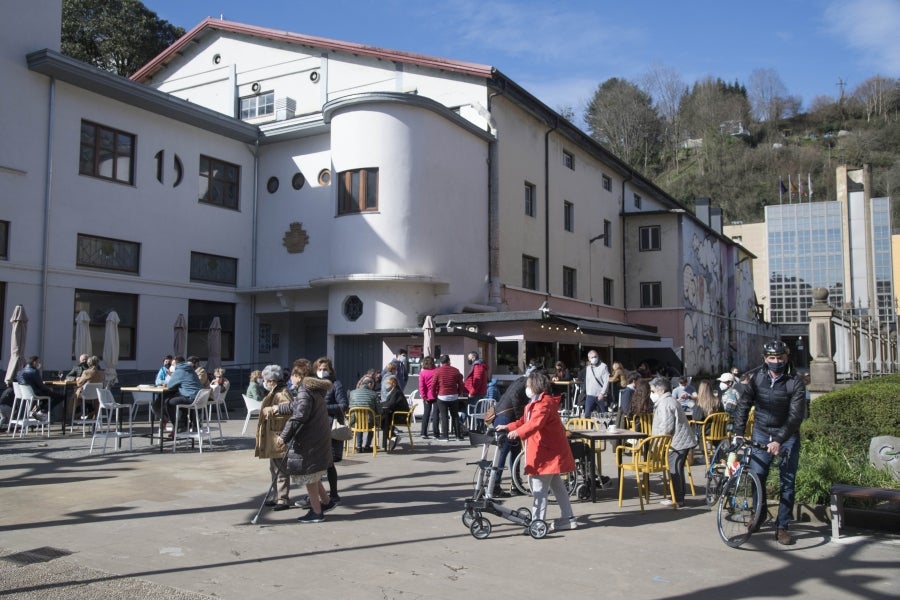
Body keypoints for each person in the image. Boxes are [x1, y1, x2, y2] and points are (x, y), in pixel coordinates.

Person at [733, 340, 806, 545]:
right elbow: (743, 405)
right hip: (762, 432)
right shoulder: (757, 379)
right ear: (765, 359)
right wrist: (738, 432)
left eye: (780, 358)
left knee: (787, 482)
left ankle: (782, 526)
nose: (776, 362)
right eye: (772, 358)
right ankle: (759, 515)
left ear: (786, 358)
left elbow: (795, 417)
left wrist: (779, 440)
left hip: (787, 435)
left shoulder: (795, 381)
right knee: (757, 477)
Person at [496, 371, 577, 532]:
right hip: (548, 452)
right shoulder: (537, 402)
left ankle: (538, 523)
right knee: (557, 486)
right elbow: (525, 421)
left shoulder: (543, 404)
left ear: (535, 386)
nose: (526, 388)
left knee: (539, 489)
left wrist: (517, 433)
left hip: (545, 453)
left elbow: (534, 424)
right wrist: (508, 427)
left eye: (528, 386)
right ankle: (568, 518)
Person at [268, 359, 335, 523]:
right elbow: (297, 405)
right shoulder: (312, 389)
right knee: (314, 474)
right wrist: (278, 408)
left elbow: (298, 416)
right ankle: (326, 502)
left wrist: (283, 437)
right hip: (318, 437)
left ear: (298, 375)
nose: (290, 378)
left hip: (310, 440)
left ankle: (317, 512)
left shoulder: (305, 390)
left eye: (292, 375)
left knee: (309, 476)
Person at [649, 375, 696, 509]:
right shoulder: (669, 400)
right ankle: (677, 497)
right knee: (677, 469)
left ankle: (678, 499)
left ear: (661, 391)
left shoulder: (665, 403)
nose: (651, 394)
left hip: (676, 443)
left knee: (675, 470)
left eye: (653, 391)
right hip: (680, 440)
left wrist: (658, 445)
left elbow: (666, 427)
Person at [255, 364, 294, 511]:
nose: (263, 381)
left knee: (281, 469)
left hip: (279, 435)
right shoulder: (275, 391)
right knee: (274, 467)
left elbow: (289, 409)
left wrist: (270, 411)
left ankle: (283, 499)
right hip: (274, 434)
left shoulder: (281, 393)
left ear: (271, 381)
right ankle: (277, 495)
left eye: (265, 379)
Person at [313, 357, 348, 504]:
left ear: (330, 370)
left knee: (329, 462)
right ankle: (315, 494)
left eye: (325, 369)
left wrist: (322, 408)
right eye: (319, 369)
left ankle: (333, 493)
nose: (322, 372)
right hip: (315, 427)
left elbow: (343, 405)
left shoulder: (336, 384)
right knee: (316, 463)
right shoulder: (313, 384)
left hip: (330, 426)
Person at [490, 374, 529, 497]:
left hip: (503, 416)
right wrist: (519, 418)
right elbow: (515, 397)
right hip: (506, 418)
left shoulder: (520, 381)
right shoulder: (524, 384)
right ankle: (495, 485)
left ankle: (515, 484)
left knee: (515, 451)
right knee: (503, 451)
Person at [161, 355, 203, 434]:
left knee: (168, 402)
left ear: (177, 364)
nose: (172, 366)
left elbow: (170, 385)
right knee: (179, 399)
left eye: (173, 365)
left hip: (191, 398)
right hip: (199, 398)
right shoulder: (190, 369)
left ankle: (178, 425)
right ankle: (185, 424)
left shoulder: (180, 370)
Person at [433, 354, 464, 441]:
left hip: (442, 396)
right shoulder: (456, 370)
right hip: (454, 395)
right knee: (455, 416)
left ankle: (445, 436)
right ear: (449, 361)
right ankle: (458, 436)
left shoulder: (438, 371)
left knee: (444, 416)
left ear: (441, 361)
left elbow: (433, 385)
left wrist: (434, 394)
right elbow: (461, 384)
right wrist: (458, 392)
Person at [348, 374, 380, 453]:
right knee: (372, 422)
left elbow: (350, 406)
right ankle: (367, 446)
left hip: (354, 422)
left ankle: (359, 446)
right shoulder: (373, 394)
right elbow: (379, 411)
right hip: (369, 422)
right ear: (369, 384)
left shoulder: (352, 393)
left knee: (359, 423)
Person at [380, 375, 409, 452]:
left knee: (383, 422)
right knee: (383, 421)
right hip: (397, 414)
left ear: (393, 384)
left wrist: (381, 406)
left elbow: (391, 404)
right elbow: (388, 403)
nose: (387, 385)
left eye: (389, 383)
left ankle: (393, 437)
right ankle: (392, 437)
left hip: (400, 416)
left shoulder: (396, 392)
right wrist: (381, 404)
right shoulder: (394, 391)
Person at [578, 349, 609, 418]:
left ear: (598, 356)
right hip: (590, 395)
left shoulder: (603, 366)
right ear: (589, 359)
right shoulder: (588, 368)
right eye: (592, 357)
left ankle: (608, 427)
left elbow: (606, 381)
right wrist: (587, 392)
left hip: (600, 395)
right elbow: (587, 380)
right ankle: (588, 428)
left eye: (595, 356)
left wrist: (602, 393)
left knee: (604, 415)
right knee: (587, 415)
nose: (594, 358)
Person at [463, 351, 488, 432]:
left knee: (472, 411)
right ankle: (476, 428)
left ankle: (474, 429)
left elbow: (477, 381)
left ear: (473, 357)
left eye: (469, 358)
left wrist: (471, 392)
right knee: (475, 411)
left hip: (476, 393)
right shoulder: (479, 366)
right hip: (478, 392)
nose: (468, 360)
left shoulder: (478, 366)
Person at [418, 356, 438, 438]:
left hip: (427, 396)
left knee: (426, 414)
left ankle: (423, 432)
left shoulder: (422, 373)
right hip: (436, 395)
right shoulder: (437, 371)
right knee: (436, 414)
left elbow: (421, 386)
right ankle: (436, 433)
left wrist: (424, 396)